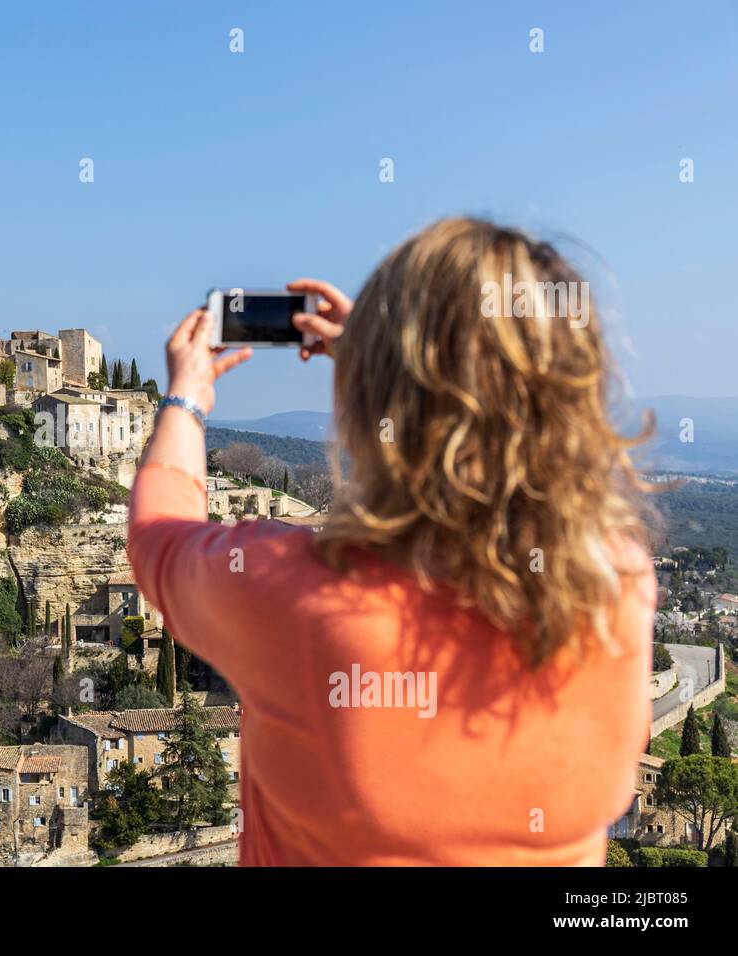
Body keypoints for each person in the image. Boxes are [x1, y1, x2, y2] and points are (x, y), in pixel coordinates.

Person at [126, 217, 656, 866]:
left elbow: (158, 537)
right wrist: (390, 374)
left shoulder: (301, 596)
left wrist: (186, 399)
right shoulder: (618, 586)